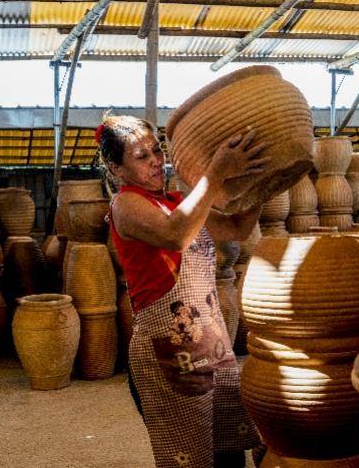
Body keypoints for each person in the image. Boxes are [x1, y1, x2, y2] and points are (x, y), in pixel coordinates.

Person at [97, 114, 268, 468]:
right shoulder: (126, 204)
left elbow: (237, 227)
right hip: (171, 354)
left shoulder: (177, 203)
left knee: (229, 454)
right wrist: (216, 172)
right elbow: (176, 234)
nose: (156, 160)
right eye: (141, 156)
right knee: (191, 460)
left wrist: (262, 184)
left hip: (214, 349)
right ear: (116, 168)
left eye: (156, 149)